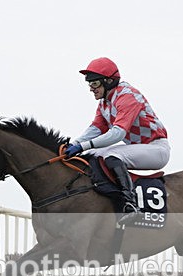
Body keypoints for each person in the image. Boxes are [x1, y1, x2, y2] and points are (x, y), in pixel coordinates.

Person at [64, 57, 170, 225]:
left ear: (108, 81)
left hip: (156, 149)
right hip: (139, 148)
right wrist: (75, 144)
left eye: (95, 83)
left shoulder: (127, 95)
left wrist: (81, 146)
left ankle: (129, 203)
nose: (91, 88)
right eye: (89, 84)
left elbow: (117, 134)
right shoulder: (105, 103)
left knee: (110, 155)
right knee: (92, 154)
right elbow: (96, 128)